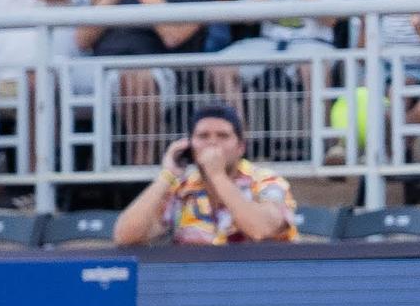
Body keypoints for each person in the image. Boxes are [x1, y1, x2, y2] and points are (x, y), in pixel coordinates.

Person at [113, 105, 300, 246]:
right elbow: (125, 237)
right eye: (203, 136)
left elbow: (260, 229)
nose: (212, 143)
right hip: (196, 286)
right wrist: (167, 175)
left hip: (261, 285)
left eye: (223, 136)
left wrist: (217, 176)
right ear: (190, 146)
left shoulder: (266, 181)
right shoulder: (180, 187)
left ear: (240, 147)